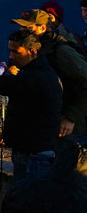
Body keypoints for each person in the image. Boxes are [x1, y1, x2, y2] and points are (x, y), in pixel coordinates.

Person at [0, 29, 63, 181]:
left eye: (16, 52)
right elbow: (21, 109)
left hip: (34, 151)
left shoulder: (35, 77)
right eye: (10, 51)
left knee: (28, 196)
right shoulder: (39, 72)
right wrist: (8, 133)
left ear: (33, 52)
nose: (11, 56)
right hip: (34, 147)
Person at [13, 8, 87, 136]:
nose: (22, 32)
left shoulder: (61, 51)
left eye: (28, 28)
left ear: (43, 28)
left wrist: (71, 117)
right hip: (45, 123)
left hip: (67, 128)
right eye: (21, 27)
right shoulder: (36, 50)